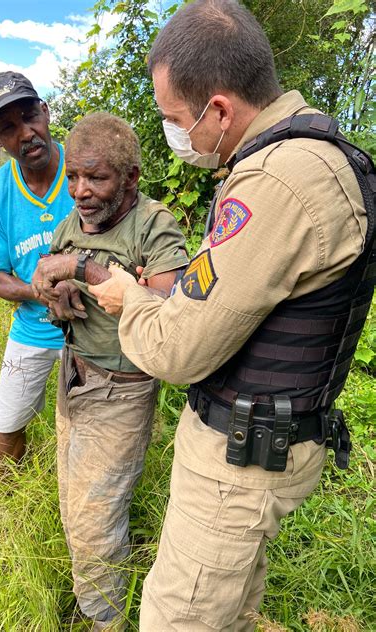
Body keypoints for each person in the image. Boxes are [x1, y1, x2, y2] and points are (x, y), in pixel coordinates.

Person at [84, 1, 374, 629]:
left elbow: (178, 350)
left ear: (218, 110)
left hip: (237, 463)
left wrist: (131, 301)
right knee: (231, 609)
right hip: (261, 440)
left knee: (177, 619)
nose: (174, 134)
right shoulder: (314, 152)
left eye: (175, 120)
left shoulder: (278, 181)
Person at [31, 112, 189, 630]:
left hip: (120, 391)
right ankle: (91, 601)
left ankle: (104, 620)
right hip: (72, 375)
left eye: (96, 178)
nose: (80, 191)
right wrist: (54, 292)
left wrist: (83, 270)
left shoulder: (153, 224)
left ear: (130, 178)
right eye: (73, 176)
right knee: (72, 503)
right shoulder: (74, 219)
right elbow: (45, 273)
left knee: (95, 518)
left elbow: (170, 312)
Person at [0, 71, 73, 462]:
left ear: (46, 112)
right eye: (8, 127)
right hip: (32, 328)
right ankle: (9, 500)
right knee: (7, 427)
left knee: (89, 430)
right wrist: (38, 291)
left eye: (30, 116)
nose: (27, 133)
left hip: (93, 329)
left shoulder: (85, 170)